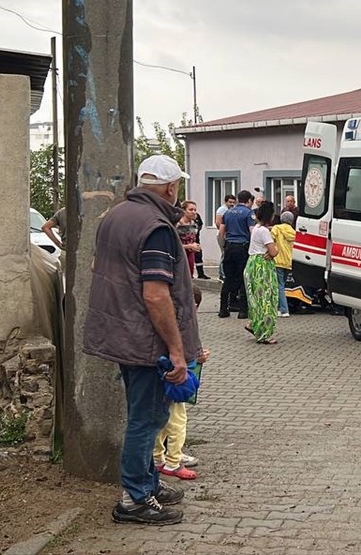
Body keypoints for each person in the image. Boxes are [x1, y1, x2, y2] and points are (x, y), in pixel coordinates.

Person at [82, 154, 201, 525]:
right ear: (170, 188)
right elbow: (155, 294)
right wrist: (177, 351)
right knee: (146, 419)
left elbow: (96, 267)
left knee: (145, 414)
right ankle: (134, 498)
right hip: (146, 340)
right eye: (177, 185)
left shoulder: (116, 216)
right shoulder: (156, 226)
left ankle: (148, 484)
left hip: (122, 333)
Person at [154, 288, 210, 481]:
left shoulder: (162, 319)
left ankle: (157, 458)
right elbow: (184, 350)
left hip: (161, 375)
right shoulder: (180, 324)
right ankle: (173, 461)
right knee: (178, 422)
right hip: (176, 377)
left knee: (160, 421)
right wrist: (196, 358)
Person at [245, 200, 279, 343]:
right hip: (262, 267)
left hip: (252, 262)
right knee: (267, 298)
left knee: (255, 298)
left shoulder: (256, 229)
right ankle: (264, 333)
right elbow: (273, 251)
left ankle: (253, 323)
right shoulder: (265, 232)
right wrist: (274, 249)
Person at [218, 191, 254, 319]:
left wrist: (224, 248)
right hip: (242, 248)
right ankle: (243, 311)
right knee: (243, 278)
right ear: (249, 200)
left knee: (228, 278)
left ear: (238, 199)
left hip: (229, 247)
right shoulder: (249, 213)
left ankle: (223, 309)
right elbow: (252, 232)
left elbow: (221, 233)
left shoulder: (227, 212)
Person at [271, 211, 297, 319]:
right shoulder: (294, 232)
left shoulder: (276, 229)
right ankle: (279, 308)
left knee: (279, 286)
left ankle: (284, 310)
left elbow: (270, 241)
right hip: (288, 262)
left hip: (278, 260)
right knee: (282, 285)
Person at [177, 200, 201, 277]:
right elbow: (174, 243)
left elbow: (193, 239)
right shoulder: (177, 224)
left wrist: (196, 246)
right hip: (179, 255)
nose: (193, 212)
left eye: (195, 210)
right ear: (183, 210)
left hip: (190, 254)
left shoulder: (194, 224)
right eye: (190, 210)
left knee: (189, 276)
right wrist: (189, 246)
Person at [214, 195, 235, 280]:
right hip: (222, 235)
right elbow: (218, 223)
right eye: (230, 202)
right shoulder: (222, 210)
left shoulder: (233, 210)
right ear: (226, 202)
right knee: (224, 253)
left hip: (229, 235)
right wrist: (224, 233)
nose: (232, 204)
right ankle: (222, 274)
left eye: (233, 202)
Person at [193, 211, 210, 279]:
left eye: (194, 209)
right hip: (187, 242)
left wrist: (197, 230)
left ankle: (201, 273)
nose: (193, 211)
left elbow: (200, 225)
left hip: (196, 240)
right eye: (191, 209)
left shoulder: (197, 216)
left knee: (198, 256)